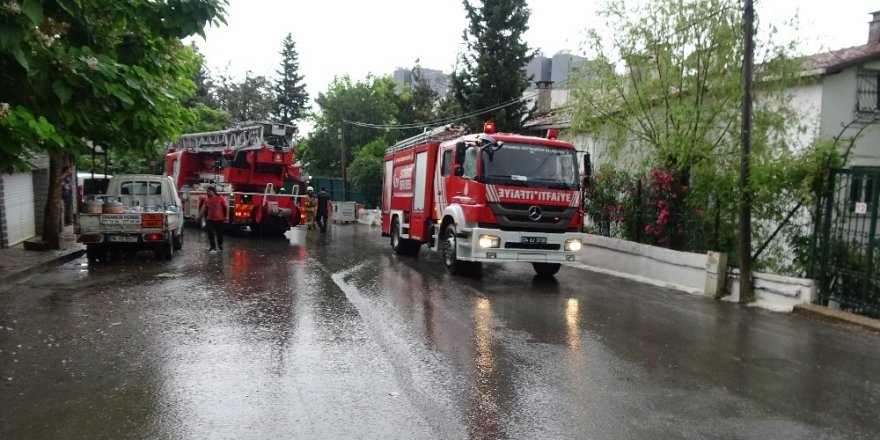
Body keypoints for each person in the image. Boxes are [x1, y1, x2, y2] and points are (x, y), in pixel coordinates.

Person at [197, 186, 228, 251]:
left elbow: (226, 206)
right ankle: (213, 247)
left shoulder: (220, 198)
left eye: (209, 191)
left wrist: (227, 216)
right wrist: (199, 216)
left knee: (219, 234)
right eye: (207, 192)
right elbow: (203, 208)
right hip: (210, 219)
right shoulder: (207, 199)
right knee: (210, 233)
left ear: (213, 191)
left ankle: (220, 245)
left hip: (219, 219)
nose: (208, 193)